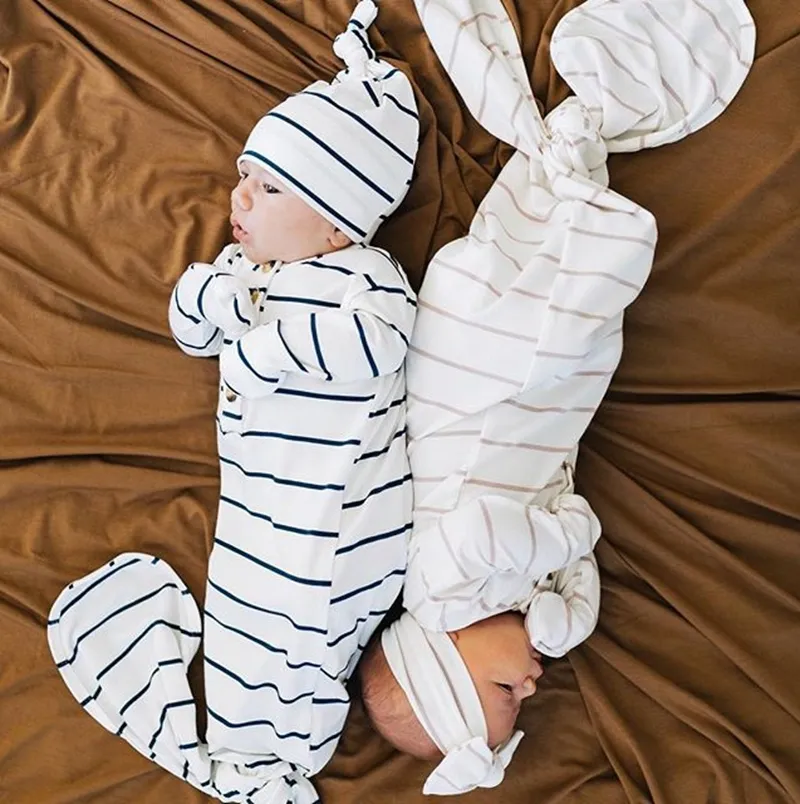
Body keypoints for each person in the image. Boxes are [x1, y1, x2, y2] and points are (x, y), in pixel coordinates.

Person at [357, 0, 755, 796]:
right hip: (543, 404)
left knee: (579, 289)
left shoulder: (440, 587)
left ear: (441, 654)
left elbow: (480, 531)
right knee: (585, 334)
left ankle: (574, 164)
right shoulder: (514, 600)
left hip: (482, 369)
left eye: (505, 694)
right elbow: (565, 558)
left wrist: (565, 538)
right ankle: (573, 164)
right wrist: (567, 608)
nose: (531, 689)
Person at [47, 2, 420, 802]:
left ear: (334, 224)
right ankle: (248, 755)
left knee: (305, 630)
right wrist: (217, 301)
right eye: (244, 178)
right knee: (246, 614)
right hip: (261, 504)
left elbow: (371, 349)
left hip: (337, 510)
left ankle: (269, 761)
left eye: (267, 186)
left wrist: (260, 346)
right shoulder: (245, 277)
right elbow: (187, 324)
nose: (239, 199)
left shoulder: (367, 285)